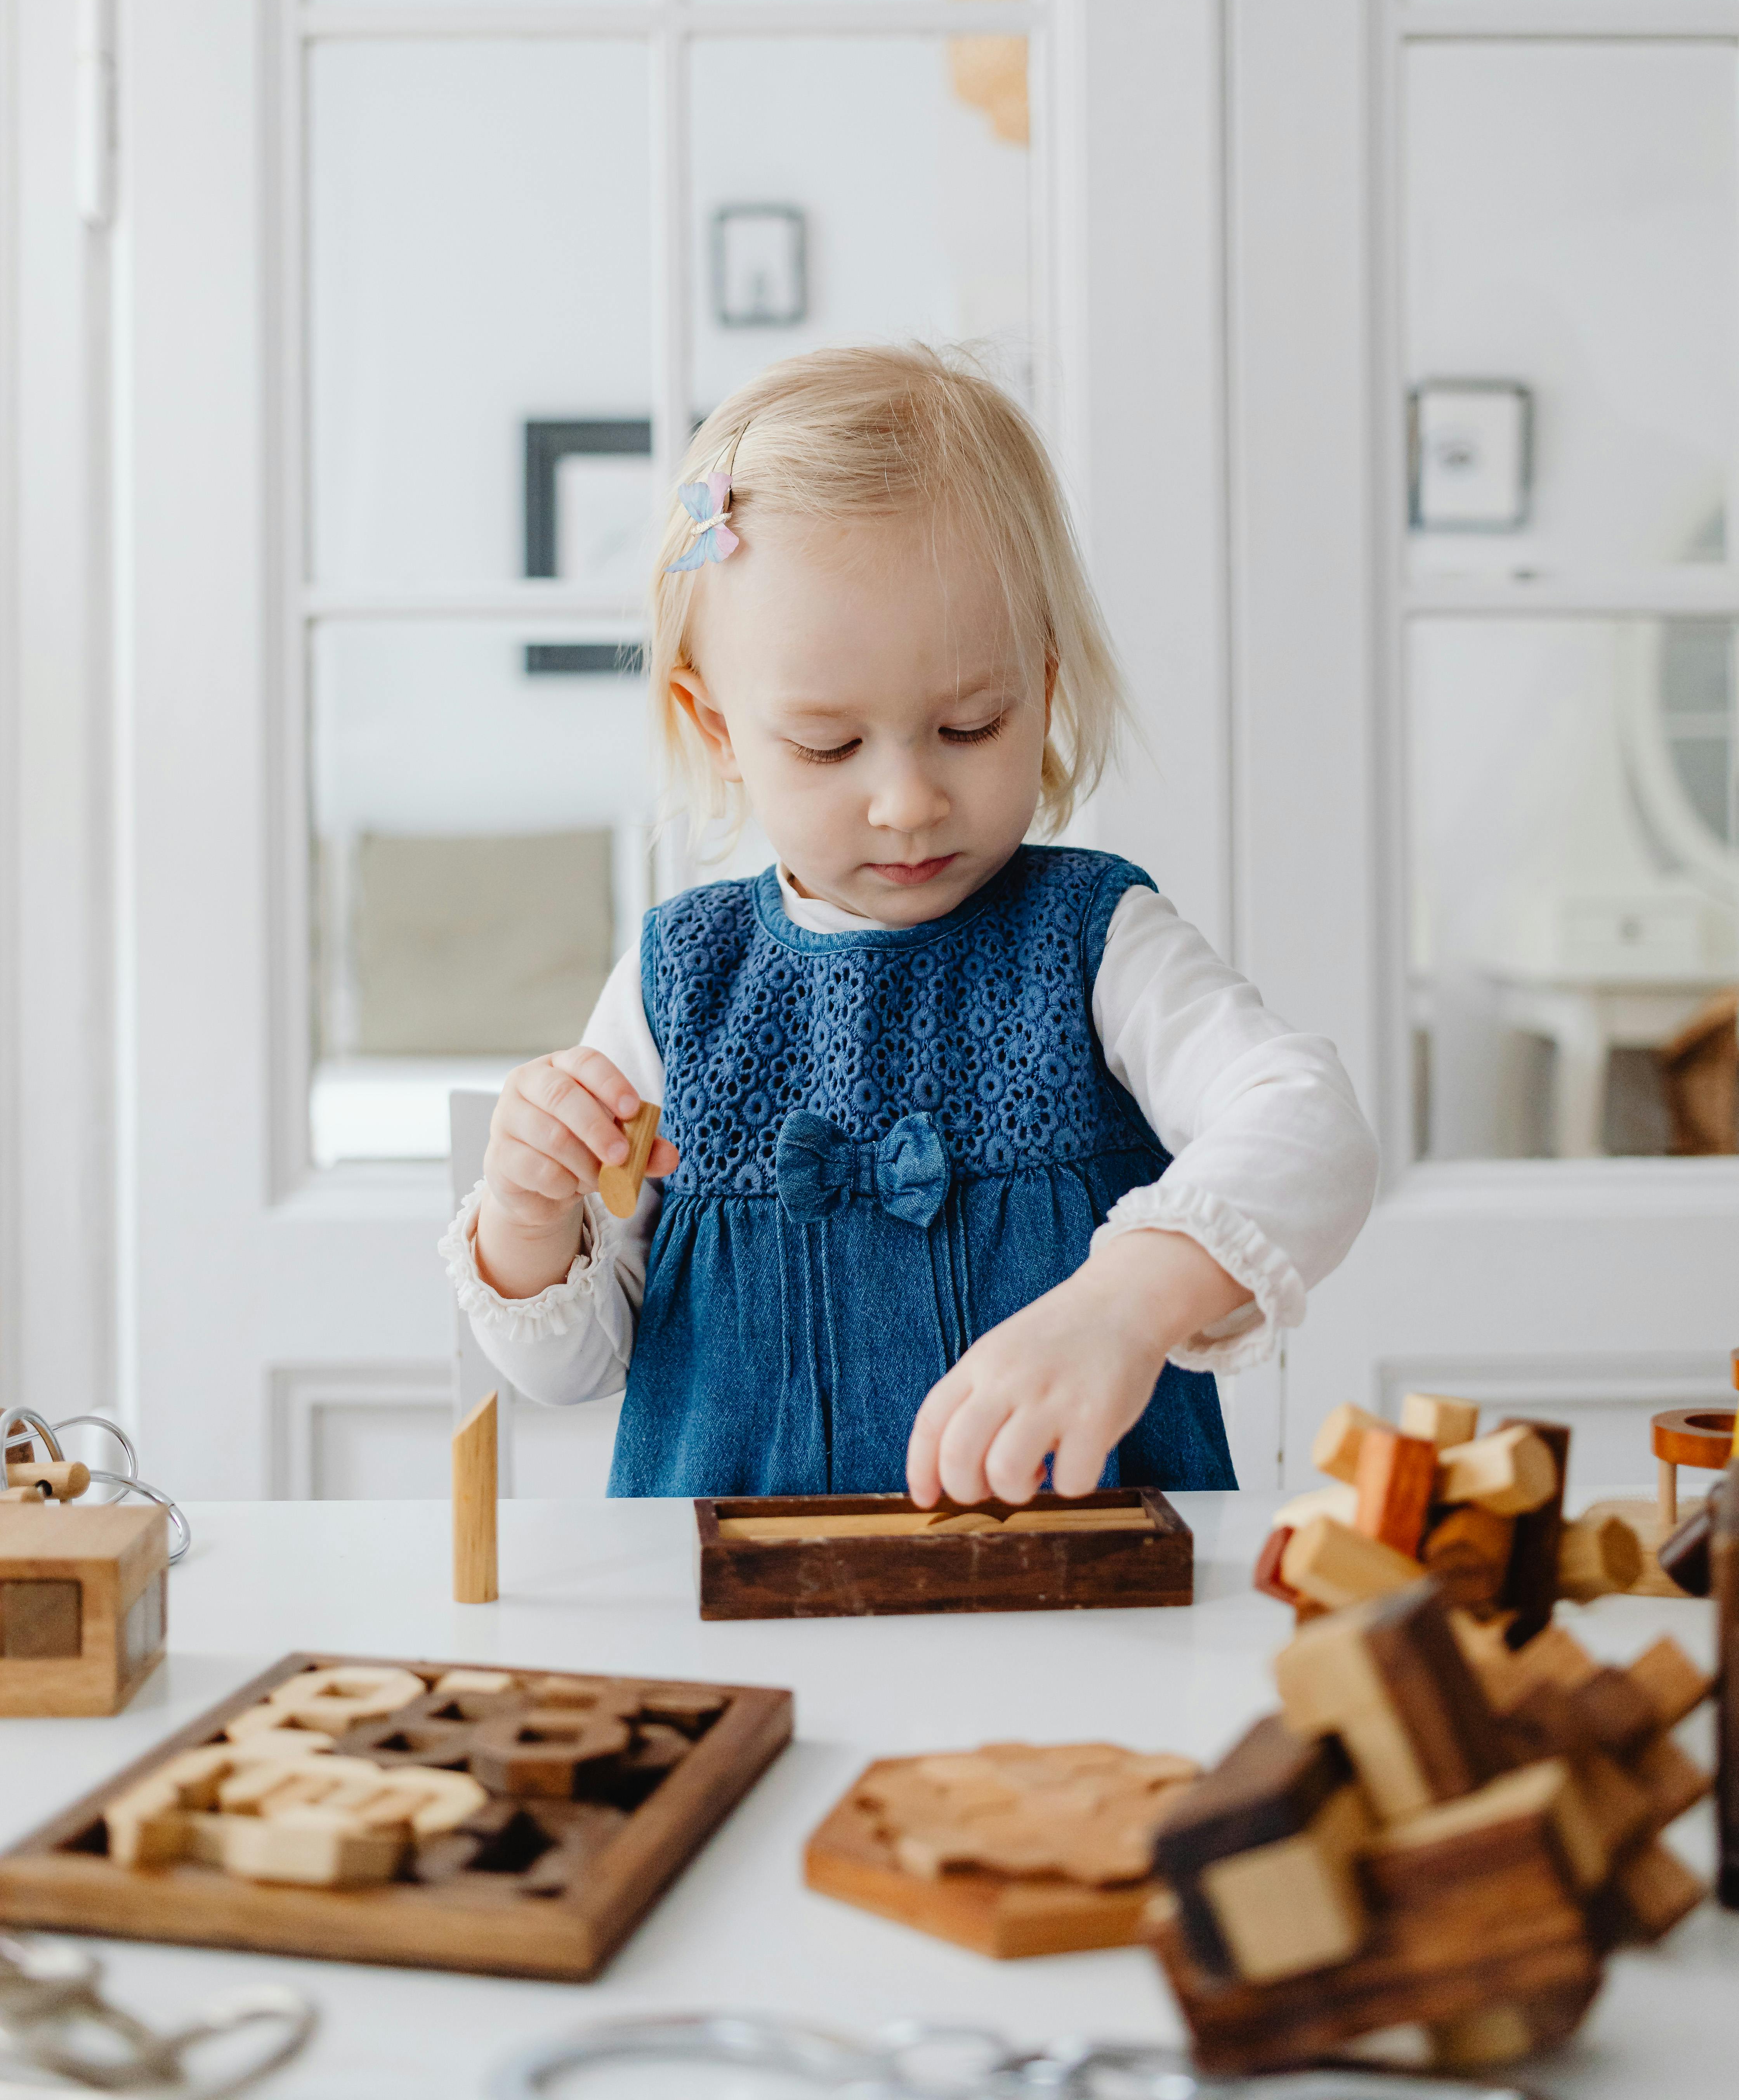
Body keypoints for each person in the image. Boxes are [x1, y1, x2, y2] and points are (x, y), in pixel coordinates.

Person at [442, 345, 1378, 1502]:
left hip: (1081, 1608)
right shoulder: (683, 980)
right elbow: (569, 1369)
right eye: (830, 747)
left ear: (1042, 689)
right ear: (718, 725)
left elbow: (1309, 1125)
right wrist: (531, 1222)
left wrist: (1128, 1301)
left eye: (973, 724)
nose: (908, 801)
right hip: (744, 1629)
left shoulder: (1095, 941)